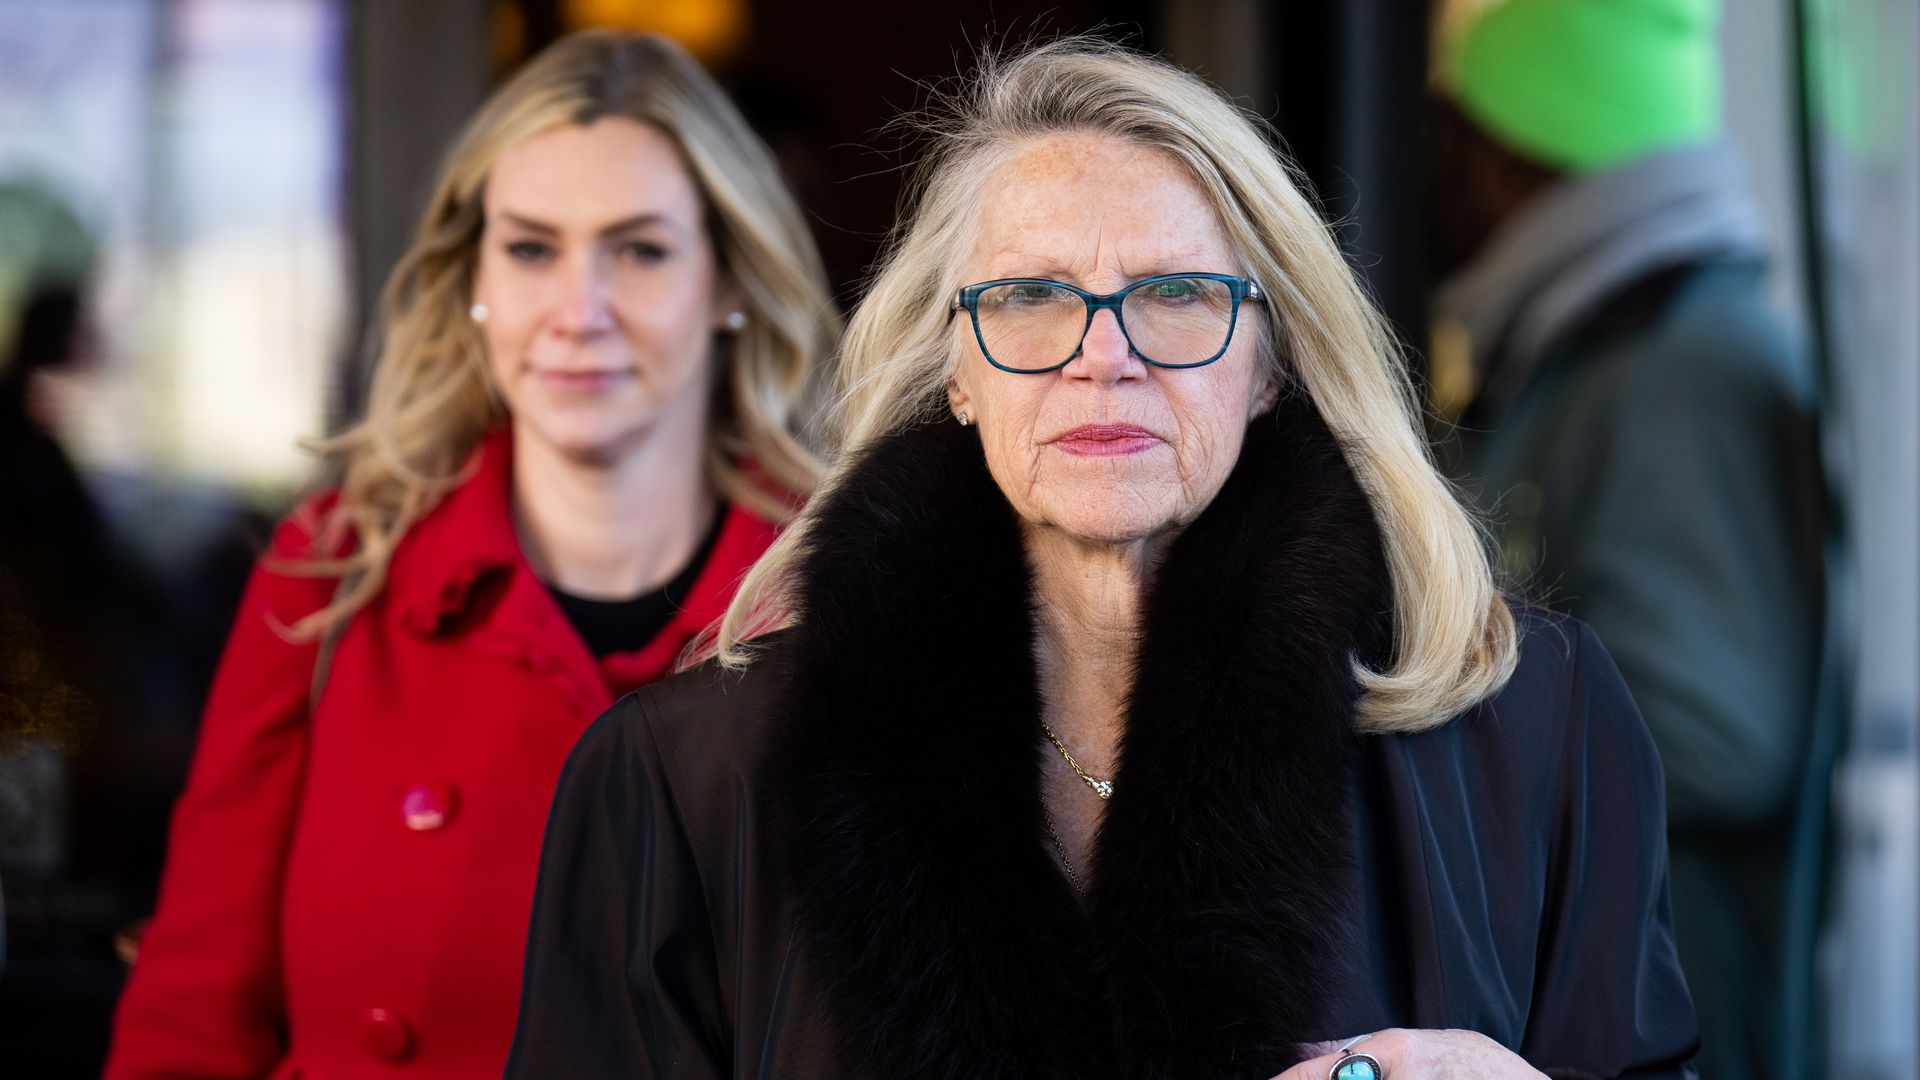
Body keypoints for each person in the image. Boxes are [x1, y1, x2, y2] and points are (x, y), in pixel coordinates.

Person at [507, 38, 1697, 1080]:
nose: (1103, 354)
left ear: (1271, 358)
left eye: (1177, 293)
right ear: (955, 371)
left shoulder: (1539, 725)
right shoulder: (673, 783)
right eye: (1029, 296)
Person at [105, 29, 837, 1078]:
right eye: (532, 248)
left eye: (640, 250)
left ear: (728, 284)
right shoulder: (337, 570)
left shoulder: (838, 592)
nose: (577, 312)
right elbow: (192, 1017)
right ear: (475, 280)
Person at [1425, 4, 1833, 1078]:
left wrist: (1435, 735)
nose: (1440, 163)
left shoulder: (1674, 370)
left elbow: (1715, 727)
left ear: (1527, 148)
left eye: (1461, 127)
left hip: (1678, 1003)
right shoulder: (1604, 345)